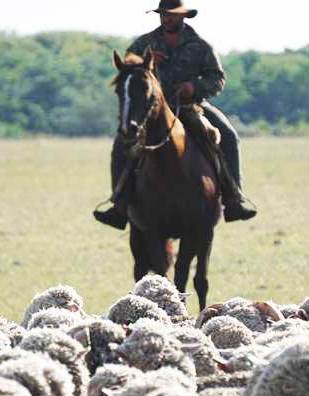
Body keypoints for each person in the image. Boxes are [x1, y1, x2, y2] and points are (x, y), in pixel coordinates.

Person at [94, 0, 256, 230]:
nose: (166, 19)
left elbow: (217, 78)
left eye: (171, 15)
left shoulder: (200, 46)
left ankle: (233, 199)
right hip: (151, 110)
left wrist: (194, 87)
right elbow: (127, 70)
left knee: (228, 135)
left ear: (183, 16)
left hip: (191, 106)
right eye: (163, 14)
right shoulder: (145, 43)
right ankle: (119, 205)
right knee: (121, 142)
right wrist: (145, 64)